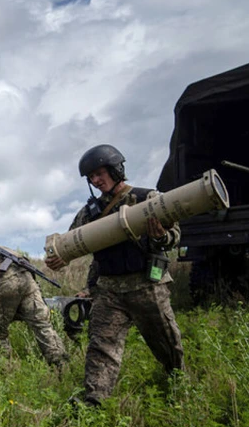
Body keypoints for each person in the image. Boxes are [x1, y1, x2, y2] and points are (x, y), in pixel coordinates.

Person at [46, 144, 184, 406]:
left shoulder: (147, 198)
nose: (96, 181)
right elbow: (71, 242)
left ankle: (178, 387)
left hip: (147, 285)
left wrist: (161, 236)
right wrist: (58, 257)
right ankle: (93, 402)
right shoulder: (89, 213)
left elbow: (175, 235)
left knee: (167, 342)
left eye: (99, 174)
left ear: (116, 170)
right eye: (91, 178)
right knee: (101, 346)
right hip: (109, 289)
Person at [0, 238, 68, 367]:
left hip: (3, 285)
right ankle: (61, 364)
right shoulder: (2, 249)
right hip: (28, 282)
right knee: (43, 326)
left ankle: (7, 369)